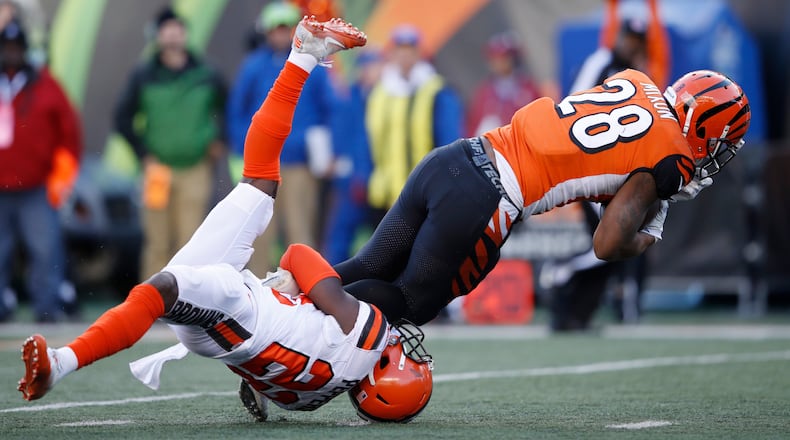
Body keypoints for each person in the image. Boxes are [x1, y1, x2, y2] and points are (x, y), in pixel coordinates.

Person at [17, 16, 433, 424]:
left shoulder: (371, 336)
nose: (406, 350)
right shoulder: (307, 402)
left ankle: (60, 363)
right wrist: (289, 302)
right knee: (258, 183)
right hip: (233, 326)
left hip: (238, 310)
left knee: (162, 287)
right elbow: (262, 371)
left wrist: (293, 284)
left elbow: (299, 254)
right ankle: (304, 55)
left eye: (408, 362)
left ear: (387, 375)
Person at [335, 68, 752, 326]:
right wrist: (646, 235)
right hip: (486, 197)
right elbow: (606, 243)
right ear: (703, 130)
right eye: (722, 143)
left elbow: (602, 153)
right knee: (410, 302)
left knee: (368, 264)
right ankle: (292, 329)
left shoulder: (634, 81)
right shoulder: (671, 162)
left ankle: (285, 291)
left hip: (456, 157)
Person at [114, 7, 227, 281]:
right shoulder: (144, 75)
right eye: (167, 29)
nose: (173, 34)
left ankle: (189, 308)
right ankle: (150, 307)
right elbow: (122, 117)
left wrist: (218, 139)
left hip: (195, 168)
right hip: (157, 170)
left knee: (191, 242)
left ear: (185, 34)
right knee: (157, 242)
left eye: (178, 28)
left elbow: (227, 109)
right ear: (158, 36)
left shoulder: (206, 73)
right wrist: (143, 153)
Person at [227, 1, 337, 272]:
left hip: (299, 162)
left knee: (300, 230)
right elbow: (237, 111)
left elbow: (331, 110)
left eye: (286, 28)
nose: (281, 34)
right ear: (266, 32)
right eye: (276, 29)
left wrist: (328, 151)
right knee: (258, 233)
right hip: (262, 166)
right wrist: (248, 148)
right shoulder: (253, 66)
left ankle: (307, 288)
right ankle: (256, 293)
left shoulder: (314, 64)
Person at [0, 20, 82, 322]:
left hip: (35, 186)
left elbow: (70, 133)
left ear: (24, 51)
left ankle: (47, 306)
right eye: (6, 48)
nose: (11, 54)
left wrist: (61, 179)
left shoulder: (46, 84)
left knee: (46, 250)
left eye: (16, 48)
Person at [365, 24, 463, 221]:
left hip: (426, 189)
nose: (405, 57)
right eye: (400, 51)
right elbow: (371, 139)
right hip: (388, 191)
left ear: (419, 53)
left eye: (410, 51)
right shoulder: (381, 92)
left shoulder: (436, 91)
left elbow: (449, 141)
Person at [465, 31, 541, 137]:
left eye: (503, 58)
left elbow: (538, 120)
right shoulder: (485, 92)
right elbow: (473, 125)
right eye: (494, 59)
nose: (498, 63)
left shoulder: (528, 89)